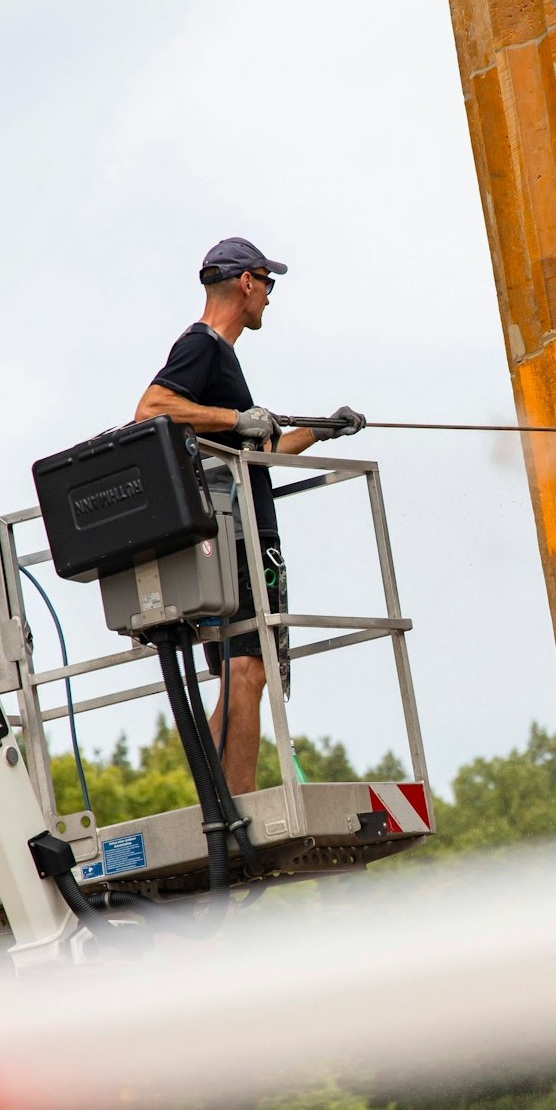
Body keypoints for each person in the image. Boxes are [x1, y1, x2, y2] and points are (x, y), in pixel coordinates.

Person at [134, 237, 362, 794]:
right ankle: (235, 811)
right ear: (246, 283)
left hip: (231, 534)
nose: (270, 298)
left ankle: (220, 809)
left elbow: (260, 453)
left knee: (240, 676)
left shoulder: (219, 356)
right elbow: (153, 409)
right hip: (239, 537)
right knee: (248, 671)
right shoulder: (204, 345)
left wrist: (323, 429)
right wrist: (236, 419)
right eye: (269, 285)